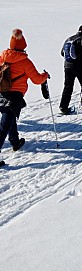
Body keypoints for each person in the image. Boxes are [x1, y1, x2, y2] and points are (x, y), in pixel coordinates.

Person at [0, 29, 49, 167]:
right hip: (14, 96)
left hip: (0, 93)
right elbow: (37, 80)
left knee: (9, 118)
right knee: (4, 125)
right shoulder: (25, 62)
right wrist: (45, 76)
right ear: (23, 45)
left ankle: (15, 142)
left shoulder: (2, 57)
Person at [59, 24, 82, 114]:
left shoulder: (69, 39)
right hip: (79, 66)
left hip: (67, 66)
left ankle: (63, 107)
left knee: (68, 86)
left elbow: (62, 53)